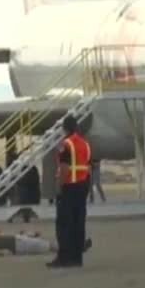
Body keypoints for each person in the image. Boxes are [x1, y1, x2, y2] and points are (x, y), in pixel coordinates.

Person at [50, 115, 92, 268]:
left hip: (69, 187)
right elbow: (88, 167)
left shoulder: (66, 144)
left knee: (64, 224)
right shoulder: (85, 144)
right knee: (78, 223)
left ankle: (64, 258)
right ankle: (76, 258)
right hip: (83, 186)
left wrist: (58, 187)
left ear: (64, 128)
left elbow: (64, 168)